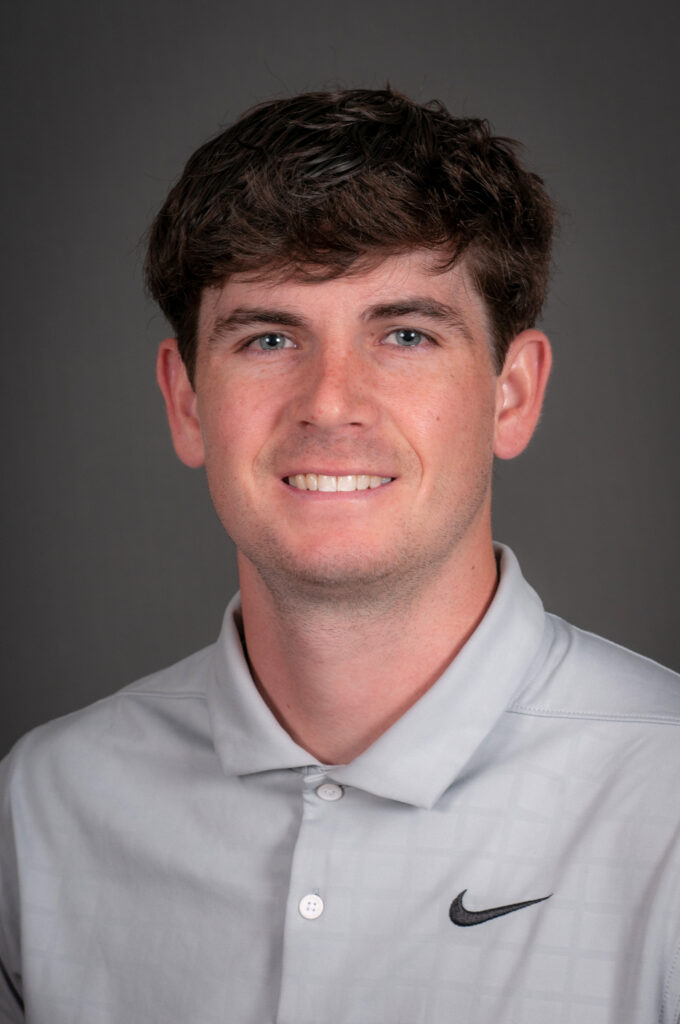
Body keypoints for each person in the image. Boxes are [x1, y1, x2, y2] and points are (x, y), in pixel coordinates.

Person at [1, 88, 679, 1024]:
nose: (330, 402)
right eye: (270, 338)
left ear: (512, 395)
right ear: (187, 402)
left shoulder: (665, 806)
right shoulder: (43, 811)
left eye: (404, 335)